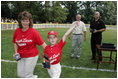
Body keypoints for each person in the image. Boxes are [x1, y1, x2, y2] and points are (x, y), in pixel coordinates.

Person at [12, 11, 46, 78]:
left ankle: (31, 76)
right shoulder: (17, 31)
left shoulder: (33, 32)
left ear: (29, 21)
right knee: (20, 74)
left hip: (31, 56)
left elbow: (43, 44)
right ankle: (34, 77)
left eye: (27, 20)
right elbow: (15, 42)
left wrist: (52, 52)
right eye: (23, 20)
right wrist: (16, 52)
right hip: (21, 56)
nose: (25, 22)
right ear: (20, 21)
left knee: (27, 75)